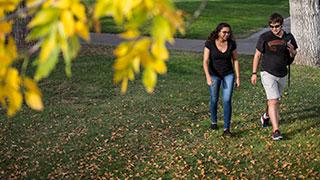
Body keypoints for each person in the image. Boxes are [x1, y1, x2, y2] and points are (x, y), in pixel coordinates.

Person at [251, 13, 298, 140]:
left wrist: (293, 52)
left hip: (282, 73)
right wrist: (254, 73)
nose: (274, 29)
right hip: (267, 72)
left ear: (282, 25)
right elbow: (257, 55)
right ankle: (276, 131)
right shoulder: (264, 37)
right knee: (274, 100)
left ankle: (266, 116)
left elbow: (293, 55)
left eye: (277, 26)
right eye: (271, 26)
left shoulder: (289, 37)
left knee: (274, 100)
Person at [203, 22, 240, 136]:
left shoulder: (232, 44)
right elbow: (205, 61)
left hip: (228, 74)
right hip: (214, 74)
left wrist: (238, 77)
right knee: (214, 98)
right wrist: (208, 77)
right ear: (218, 32)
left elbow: (235, 60)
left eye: (228, 32)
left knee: (227, 100)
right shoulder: (210, 43)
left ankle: (226, 129)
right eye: (224, 32)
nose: (226, 35)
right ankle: (214, 121)